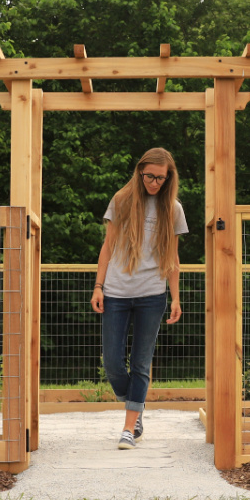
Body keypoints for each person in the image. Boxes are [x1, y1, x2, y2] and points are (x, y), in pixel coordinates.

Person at [91, 148, 188, 449]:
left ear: (168, 178)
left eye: (161, 178)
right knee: (112, 364)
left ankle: (128, 428)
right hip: (117, 293)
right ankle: (137, 403)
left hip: (152, 294)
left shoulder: (173, 209)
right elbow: (107, 247)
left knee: (141, 363)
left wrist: (175, 297)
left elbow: (172, 256)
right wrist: (98, 286)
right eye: (150, 176)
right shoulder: (121, 201)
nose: (154, 183)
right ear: (139, 171)